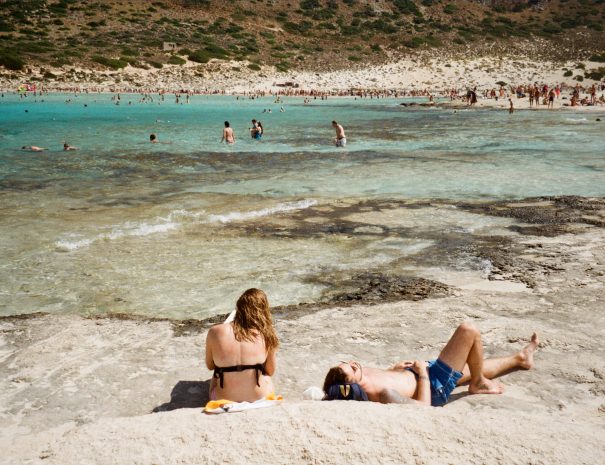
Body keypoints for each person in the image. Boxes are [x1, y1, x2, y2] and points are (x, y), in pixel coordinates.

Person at [323, 323, 539, 406]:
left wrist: (395, 369)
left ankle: (520, 358)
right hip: (434, 385)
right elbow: (423, 408)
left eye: (348, 362)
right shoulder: (384, 394)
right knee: (468, 331)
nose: (353, 363)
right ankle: (479, 383)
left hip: (421, 372)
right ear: (353, 385)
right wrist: (423, 374)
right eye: (351, 368)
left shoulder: (360, 378)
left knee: (470, 366)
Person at [205, 288, 279, 402]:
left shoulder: (215, 332)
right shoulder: (266, 335)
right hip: (259, 397)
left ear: (238, 308)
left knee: (216, 375)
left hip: (222, 399)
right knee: (266, 377)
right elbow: (270, 371)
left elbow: (210, 366)